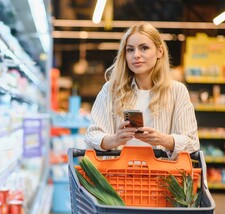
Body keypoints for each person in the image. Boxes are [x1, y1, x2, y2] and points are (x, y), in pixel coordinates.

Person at [84, 22, 199, 158]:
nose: (136, 55)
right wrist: (114, 139)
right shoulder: (111, 90)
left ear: (159, 52)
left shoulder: (177, 91)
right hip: (117, 175)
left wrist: (163, 140)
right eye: (130, 50)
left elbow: (192, 143)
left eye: (144, 48)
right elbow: (91, 136)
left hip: (161, 177)